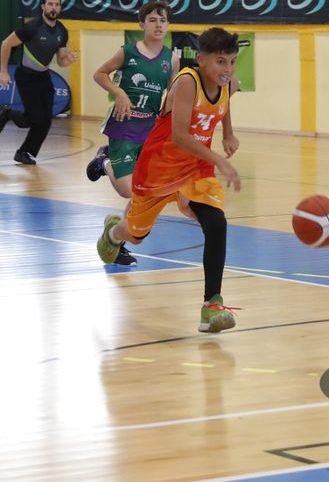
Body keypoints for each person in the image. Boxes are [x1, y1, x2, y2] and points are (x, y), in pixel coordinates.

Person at [96, 27, 242, 333]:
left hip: (196, 169)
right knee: (135, 235)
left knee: (216, 223)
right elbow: (179, 135)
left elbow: (227, 99)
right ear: (201, 60)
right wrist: (218, 159)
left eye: (231, 61)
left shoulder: (227, 82)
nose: (227, 69)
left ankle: (211, 305)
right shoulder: (188, 81)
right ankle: (114, 233)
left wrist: (227, 132)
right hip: (159, 168)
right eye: (220, 62)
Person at [85, 0, 180, 267]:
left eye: (163, 20)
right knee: (128, 190)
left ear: (168, 25)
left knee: (142, 192)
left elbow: (170, 96)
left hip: (149, 129)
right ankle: (104, 161)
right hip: (124, 124)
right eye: (152, 20)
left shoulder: (171, 59)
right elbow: (99, 73)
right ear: (142, 25)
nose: (158, 24)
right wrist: (120, 93)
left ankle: (120, 243)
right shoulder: (127, 52)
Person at [0, 0, 77, 164]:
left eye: (57, 4)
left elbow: (61, 60)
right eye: (50, 4)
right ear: (43, 7)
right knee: (35, 118)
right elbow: (6, 43)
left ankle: (25, 153)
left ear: (60, 8)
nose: (53, 8)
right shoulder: (32, 27)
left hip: (44, 77)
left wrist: (68, 60)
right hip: (26, 76)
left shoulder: (62, 31)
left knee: (45, 121)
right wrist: (3, 71)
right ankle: (8, 113)